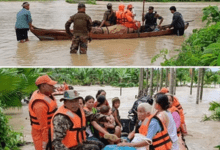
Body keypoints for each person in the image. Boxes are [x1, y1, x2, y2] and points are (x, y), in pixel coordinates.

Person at [28, 75, 58, 150]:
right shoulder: (40, 105)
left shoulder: (45, 94)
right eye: (50, 85)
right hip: (42, 135)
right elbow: (44, 127)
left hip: (51, 131)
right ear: (43, 86)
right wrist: (46, 142)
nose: (53, 87)